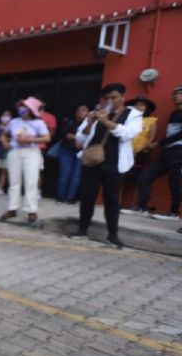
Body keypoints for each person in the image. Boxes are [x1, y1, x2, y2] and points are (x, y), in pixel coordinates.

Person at [71, 84, 142, 248]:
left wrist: (106, 122)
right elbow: (80, 139)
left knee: (111, 199)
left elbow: (129, 133)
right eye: (107, 98)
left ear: (123, 97)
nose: (110, 101)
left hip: (115, 163)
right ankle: (82, 230)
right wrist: (89, 123)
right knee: (87, 196)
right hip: (93, 161)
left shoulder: (133, 114)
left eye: (114, 97)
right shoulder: (95, 112)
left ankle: (112, 234)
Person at [123, 86, 182, 221]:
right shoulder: (173, 114)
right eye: (175, 94)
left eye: (179, 94)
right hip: (167, 151)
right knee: (145, 176)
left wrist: (159, 143)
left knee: (175, 182)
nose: (176, 96)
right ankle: (141, 208)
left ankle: (173, 213)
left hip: (179, 151)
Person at [1, 96, 51, 224]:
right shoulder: (14, 121)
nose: (22, 108)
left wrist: (29, 140)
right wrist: (4, 143)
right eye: (21, 106)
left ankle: (31, 210)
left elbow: (46, 138)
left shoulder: (39, 123)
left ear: (31, 110)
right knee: (14, 182)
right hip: (15, 152)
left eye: (25, 106)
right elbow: (5, 134)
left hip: (31, 153)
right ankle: (12, 208)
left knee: (31, 182)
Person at [56, 105, 89, 204]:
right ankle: (60, 197)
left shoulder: (90, 124)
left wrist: (75, 137)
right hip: (66, 150)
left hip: (81, 152)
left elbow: (88, 137)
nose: (81, 112)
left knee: (76, 175)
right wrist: (79, 137)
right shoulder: (68, 121)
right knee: (65, 173)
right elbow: (66, 135)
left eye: (84, 110)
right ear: (76, 112)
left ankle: (71, 197)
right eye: (79, 110)